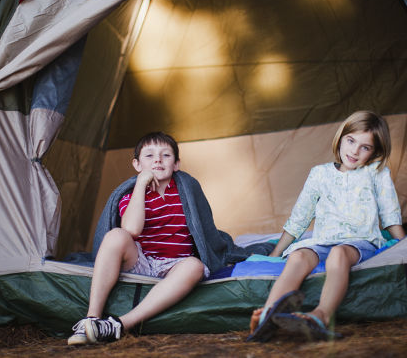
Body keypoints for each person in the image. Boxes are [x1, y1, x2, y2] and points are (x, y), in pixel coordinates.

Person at [68, 132, 274, 345]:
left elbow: (205, 230)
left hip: (176, 264)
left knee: (195, 266)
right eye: (149, 156)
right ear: (137, 165)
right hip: (142, 260)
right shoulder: (131, 195)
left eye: (165, 155)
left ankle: (118, 324)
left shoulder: (187, 191)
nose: (157, 159)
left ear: (176, 164)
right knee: (115, 236)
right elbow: (131, 229)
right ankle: (91, 318)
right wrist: (140, 185)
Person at [247, 110, 406, 342]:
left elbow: (390, 214)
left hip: (359, 241)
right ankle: (267, 316)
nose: (354, 151)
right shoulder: (319, 174)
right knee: (299, 256)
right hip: (321, 241)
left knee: (338, 255)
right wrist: (275, 252)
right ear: (341, 138)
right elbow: (300, 217)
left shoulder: (376, 172)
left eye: (365, 147)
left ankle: (320, 315)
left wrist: (403, 245)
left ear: (375, 152)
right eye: (351, 141)